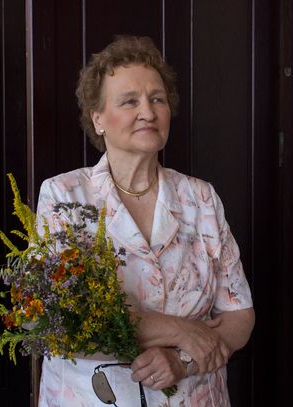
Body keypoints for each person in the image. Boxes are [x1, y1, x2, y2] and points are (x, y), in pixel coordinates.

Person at [36, 35, 254, 407]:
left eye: (157, 99)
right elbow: (60, 319)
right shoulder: (65, 197)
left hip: (195, 396)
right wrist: (180, 331)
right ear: (98, 118)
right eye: (129, 101)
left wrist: (183, 360)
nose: (148, 113)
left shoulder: (201, 198)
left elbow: (239, 316)